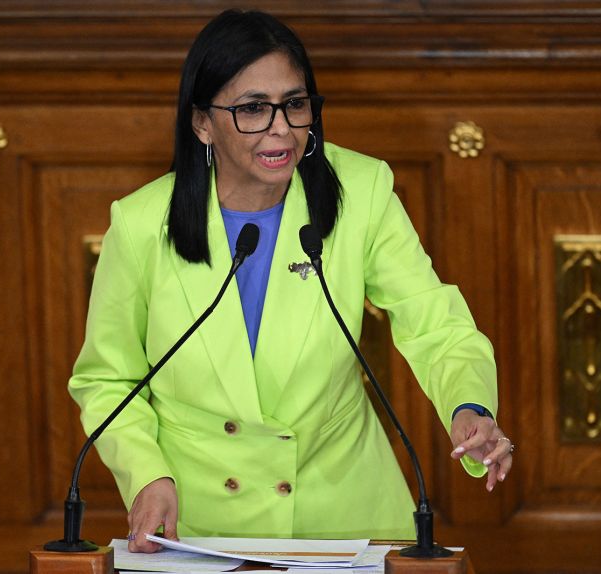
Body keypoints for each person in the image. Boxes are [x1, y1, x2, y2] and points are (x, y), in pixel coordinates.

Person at [68, 9, 513, 554]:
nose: (281, 128)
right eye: (253, 108)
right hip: (200, 526)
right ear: (202, 122)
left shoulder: (362, 192)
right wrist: (146, 475)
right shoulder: (140, 225)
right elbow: (108, 380)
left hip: (347, 522)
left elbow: (435, 325)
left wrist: (471, 409)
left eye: (295, 105)